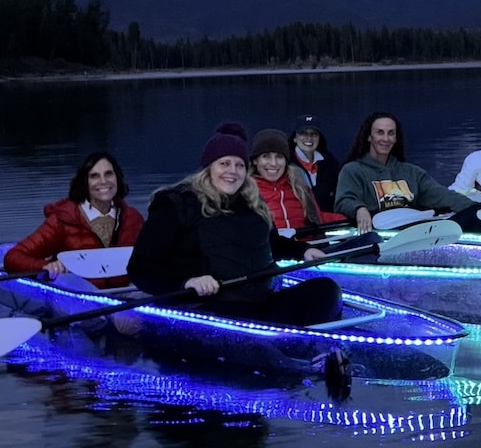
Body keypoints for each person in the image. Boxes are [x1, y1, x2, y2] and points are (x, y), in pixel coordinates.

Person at [127, 122, 342, 326]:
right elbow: (140, 268)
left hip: (262, 303)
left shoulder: (252, 205)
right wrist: (186, 281)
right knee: (243, 320)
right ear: (209, 167)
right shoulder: (177, 204)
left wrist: (302, 250)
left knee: (326, 290)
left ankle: (309, 343)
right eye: (224, 163)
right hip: (211, 310)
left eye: (239, 165)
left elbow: (268, 243)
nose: (233, 171)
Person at [4, 151, 146, 289]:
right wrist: (45, 266)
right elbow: (13, 257)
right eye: (94, 176)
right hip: (77, 297)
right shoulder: (62, 221)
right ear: (85, 183)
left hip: (128, 293)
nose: (103, 181)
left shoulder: (133, 218)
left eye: (109, 174)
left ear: (117, 178)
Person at [334, 111, 476, 233]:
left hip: (411, 234)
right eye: (380, 132)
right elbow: (344, 200)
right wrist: (359, 208)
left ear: (396, 138)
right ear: (369, 137)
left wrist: (478, 209)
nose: (385, 139)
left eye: (391, 133)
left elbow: (444, 196)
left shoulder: (412, 172)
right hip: (375, 235)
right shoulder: (353, 170)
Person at [250, 128, 345, 233]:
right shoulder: (247, 192)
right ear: (255, 160)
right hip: (268, 243)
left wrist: (351, 218)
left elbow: (319, 217)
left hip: (305, 242)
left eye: (279, 157)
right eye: (266, 156)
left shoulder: (299, 186)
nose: (273, 163)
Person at [290, 114, 341, 212]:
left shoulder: (330, 162)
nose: (309, 137)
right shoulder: (287, 162)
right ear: (294, 138)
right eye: (303, 133)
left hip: (327, 218)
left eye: (314, 134)